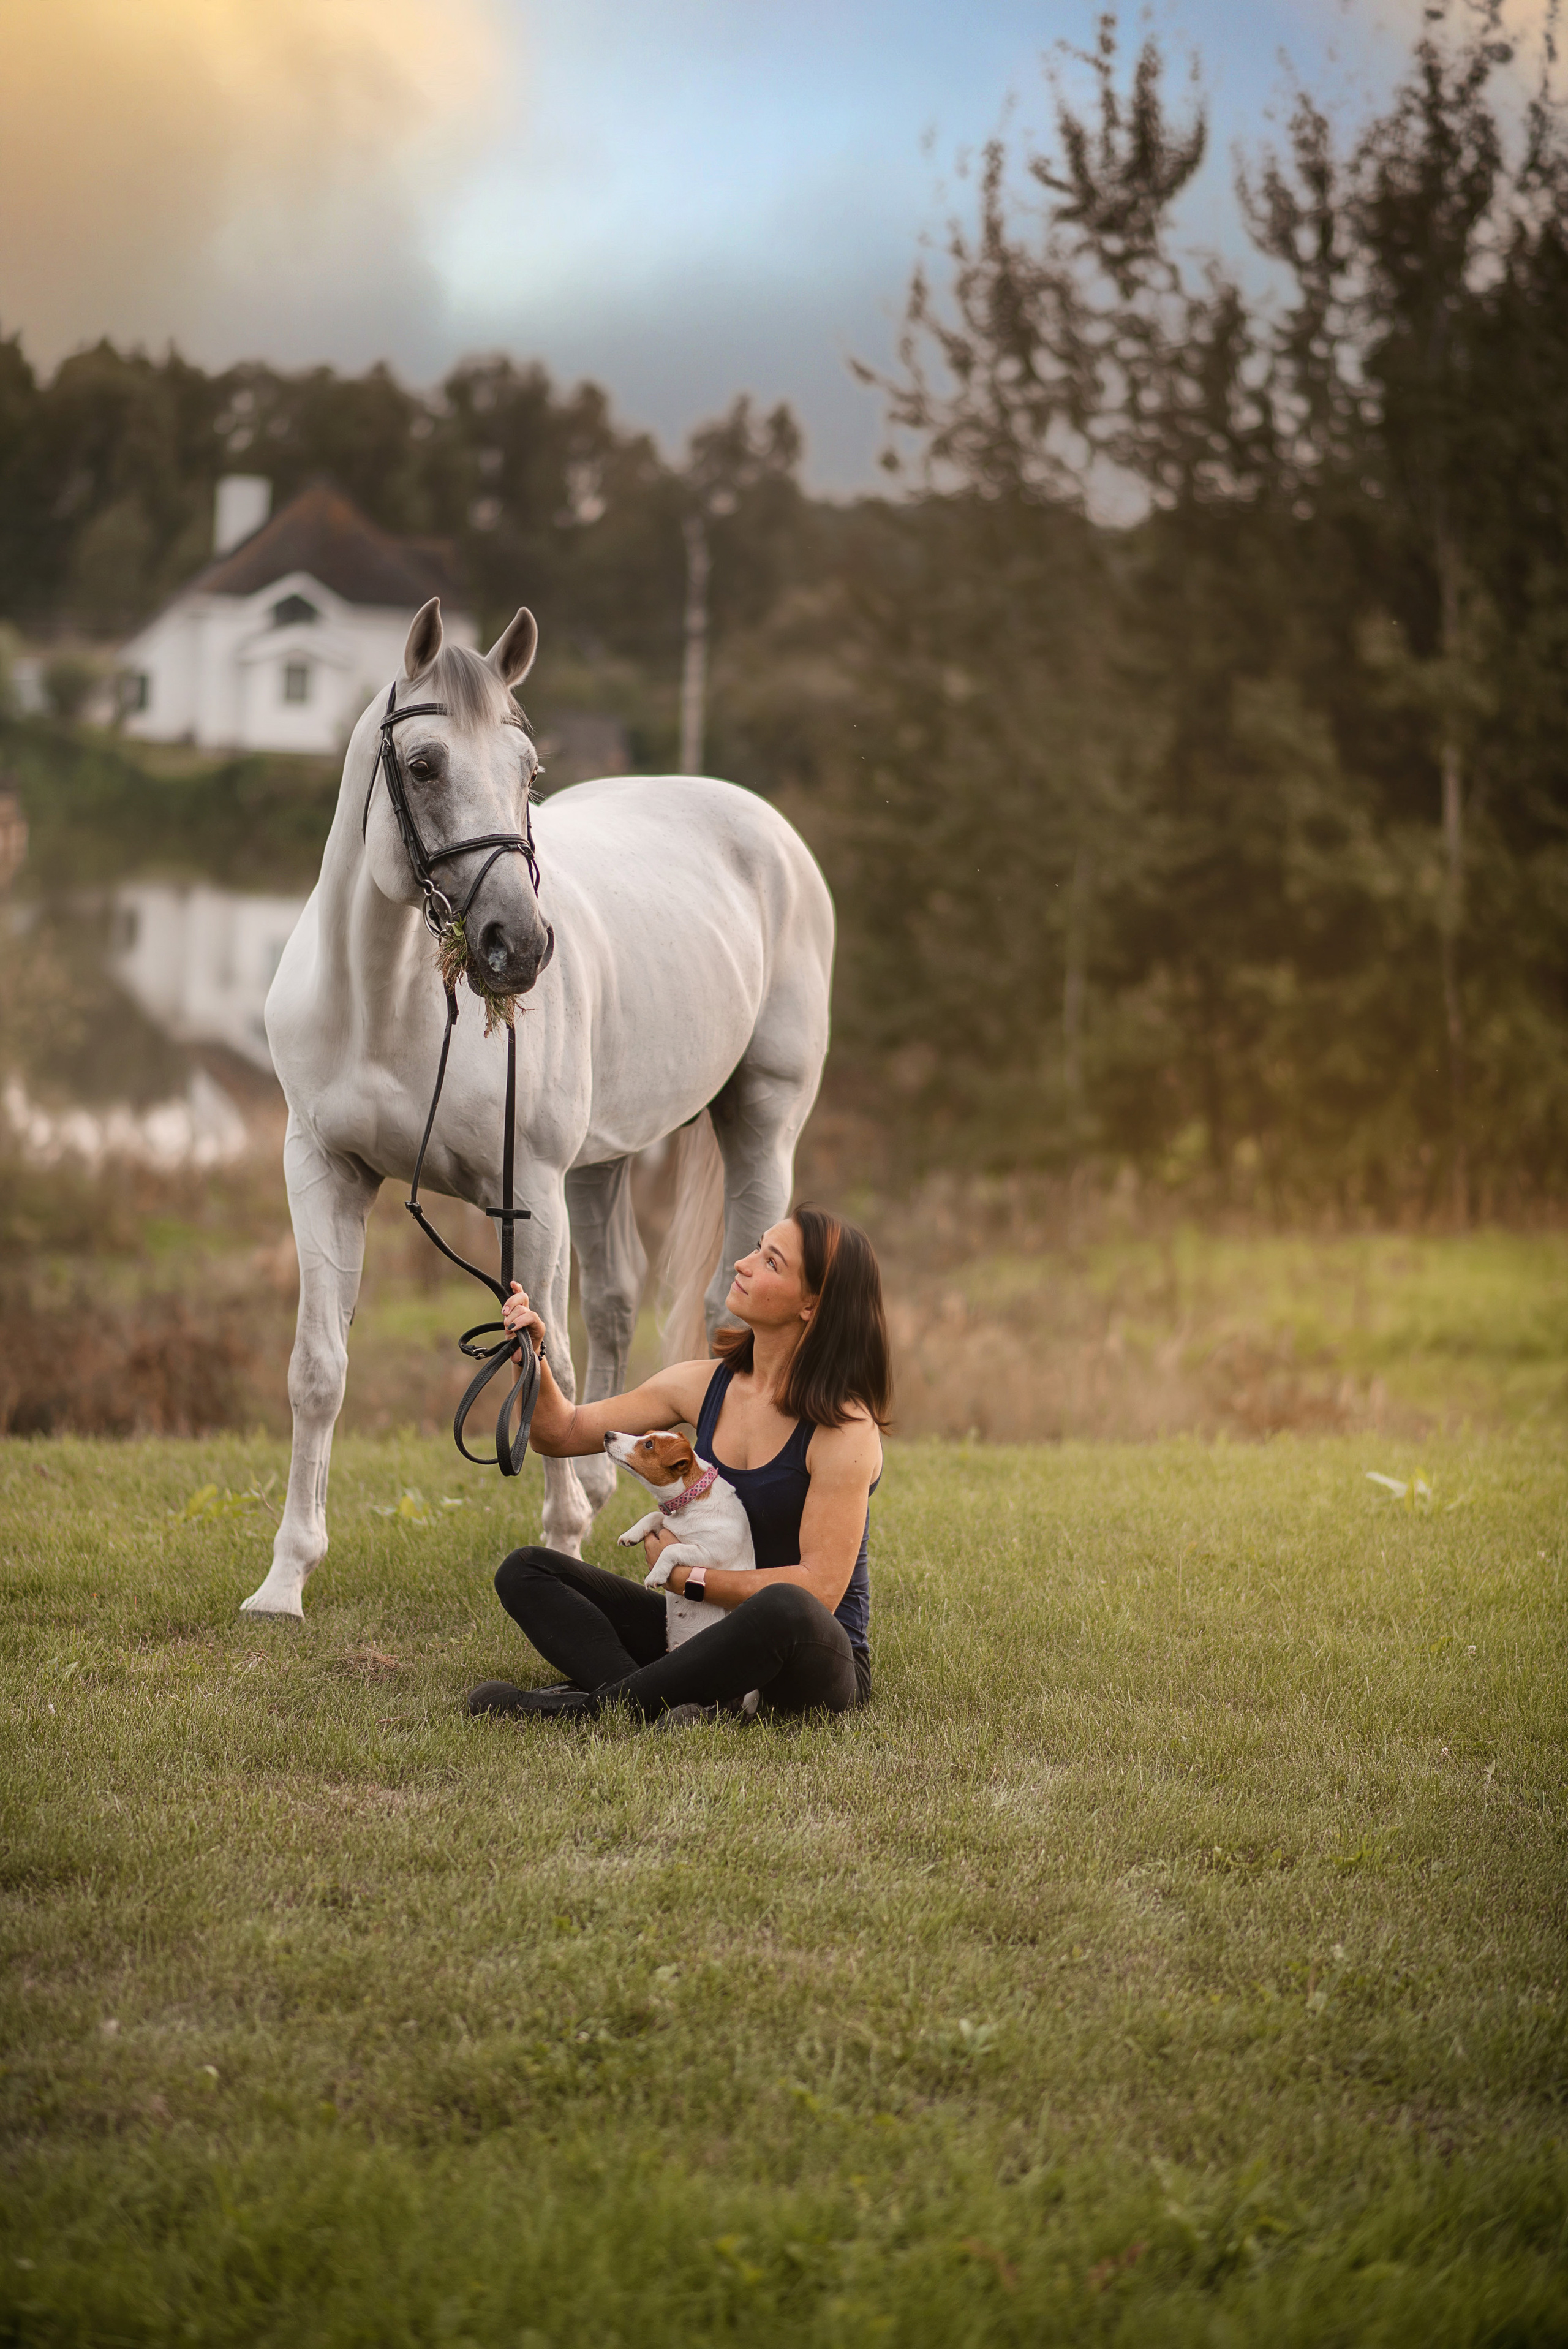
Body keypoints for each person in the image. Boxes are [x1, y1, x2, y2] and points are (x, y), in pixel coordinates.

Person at [467, 1206, 889, 1725]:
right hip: (707, 1624)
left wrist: (688, 1578)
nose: (742, 1262)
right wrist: (533, 1356)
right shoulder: (702, 1384)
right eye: (756, 1247)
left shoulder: (845, 1428)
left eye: (771, 1262)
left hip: (805, 1657)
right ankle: (665, 1703)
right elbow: (561, 1434)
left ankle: (592, 1709)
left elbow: (820, 1589)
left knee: (787, 1606)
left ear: (812, 1304)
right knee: (527, 1571)